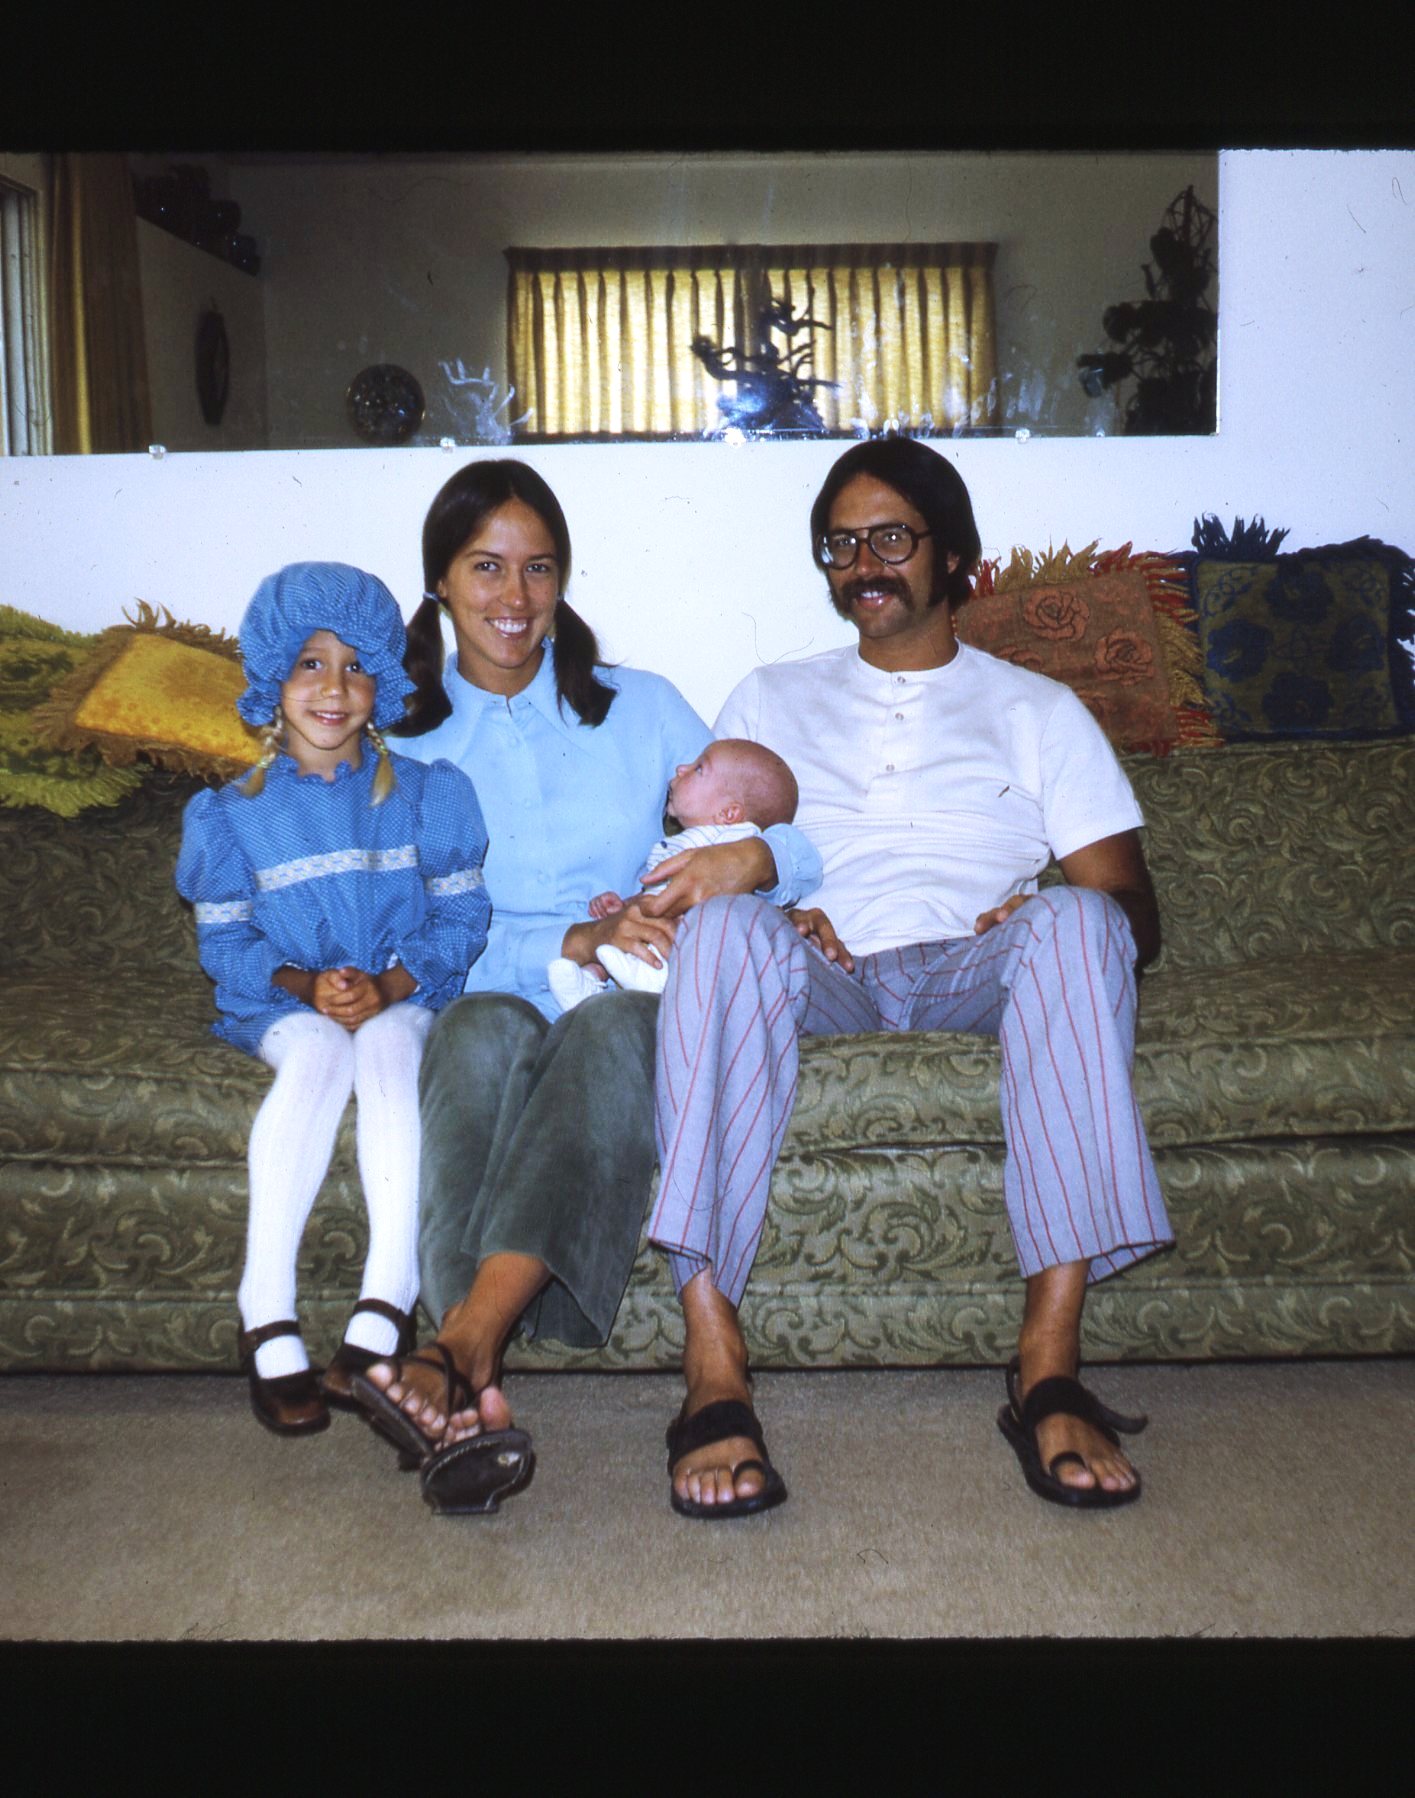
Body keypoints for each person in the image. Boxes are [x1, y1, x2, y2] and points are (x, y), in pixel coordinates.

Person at [647, 437, 1173, 1514]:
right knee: (720, 931)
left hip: (974, 966)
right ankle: (712, 1364)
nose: (863, 564)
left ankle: (1047, 1367)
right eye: (840, 545)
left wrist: (1036, 910)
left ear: (952, 554)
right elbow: (700, 858)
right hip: (818, 966)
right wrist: (774, 905)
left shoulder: (1036, 710)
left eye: (890, 537)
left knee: (1079, 922)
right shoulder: (769, 694)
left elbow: (1132, 909)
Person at [347, 459, 821, 1516]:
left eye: (539, 568)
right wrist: (571, 934)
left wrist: (748, 859)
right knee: (474, 1031)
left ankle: (462, 1348)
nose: (514, 597)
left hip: (632, 997)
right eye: (485, 567)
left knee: (608, 1030)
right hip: (496, 985)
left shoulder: (640, 709)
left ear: (563, 578)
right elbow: (409, 936)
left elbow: (787, 837)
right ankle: (468, 1375)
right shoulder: (402, 744)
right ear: (438, 582)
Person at [174, 562, 491, 1439]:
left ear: (382, 683)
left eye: (356, 667)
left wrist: (389, 983)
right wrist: (304, 985)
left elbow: (461, 916)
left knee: (388, 1045)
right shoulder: (231, 814)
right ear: (273, 679)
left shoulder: (426, 795)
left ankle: (385, 1303)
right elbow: (226, 945)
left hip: (400, 988)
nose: (334, 688)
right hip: (284, 998)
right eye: (310, 663)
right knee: (316, 1051)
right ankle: (265, 1308)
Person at [545, 737, 799, 1011]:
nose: (681, 769)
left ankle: (655, 979)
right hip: (656, 928)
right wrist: (623, 906)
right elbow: (655, 894)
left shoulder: (735, 839)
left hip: (695, 948)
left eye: (699, 768)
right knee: (616, 944)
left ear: (729, 813)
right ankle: (590, 984)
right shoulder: (675, 843)